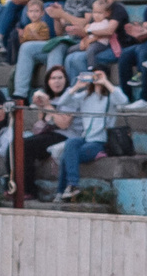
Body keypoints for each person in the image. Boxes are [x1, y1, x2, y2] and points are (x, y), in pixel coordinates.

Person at [50, 67, 118, 198]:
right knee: (71, 143)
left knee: (66, 157)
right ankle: (70, 187)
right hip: (85, 138)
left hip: (100, 141)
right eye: (94, 75)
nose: (96, 78)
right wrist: (77, 86)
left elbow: (123, 100)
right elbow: (62, 102)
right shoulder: (85, 96)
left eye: (99, 75)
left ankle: (64, 190)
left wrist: (105, 82)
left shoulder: (110, 96)